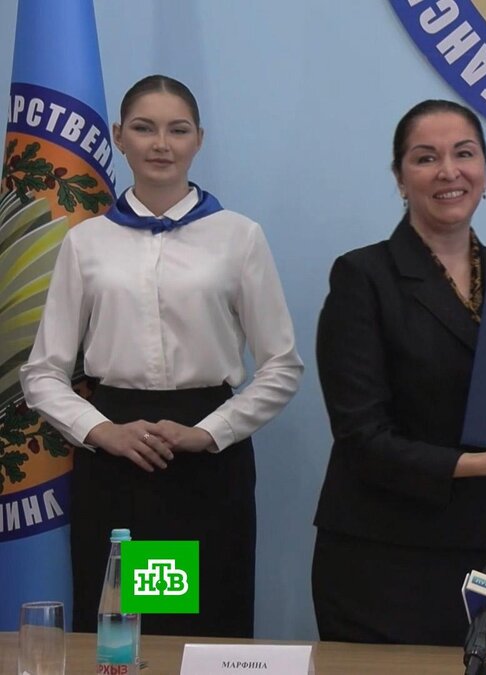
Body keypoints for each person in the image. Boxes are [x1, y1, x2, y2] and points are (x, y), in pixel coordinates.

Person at [19, 75, 303, 637]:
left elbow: (281, 366)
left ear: (199, 139)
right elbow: (44, 373)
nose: (160, 144)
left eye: (178, 130)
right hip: (117, 454)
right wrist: (102, 431)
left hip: (204, 455)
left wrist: (209, 432)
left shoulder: (238, 237)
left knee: (202, 625)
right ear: (119, 136)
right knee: (125, 628)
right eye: (144, 129)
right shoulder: (87, 241)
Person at [311, 99, 486, 646]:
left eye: (464, 154)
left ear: (485, 170)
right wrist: (485, 463)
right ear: (399, 177)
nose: (448, 171)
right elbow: (362, 438)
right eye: (425, 158)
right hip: (389, 557)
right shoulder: (363, 277)